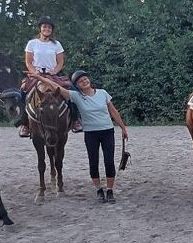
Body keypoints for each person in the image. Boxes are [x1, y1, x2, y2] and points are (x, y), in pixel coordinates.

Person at [36, 69, 128, 203]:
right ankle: (98, 190)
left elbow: (113, 111)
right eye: (80, 81)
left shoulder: (102, 93)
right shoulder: (76, 96)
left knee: (109, 162)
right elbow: (55, 87)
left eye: (85, 79)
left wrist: (123, 127)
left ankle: (109, 190)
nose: (84, 81)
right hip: (91, 133)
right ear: (77, 85)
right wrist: (39, 77)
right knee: (93, 162)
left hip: (108, 131)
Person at [19, 16, 81, 137]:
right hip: (36, 74)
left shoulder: (57, 44)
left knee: (72, 90)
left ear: (52, 30)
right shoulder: (32, 43)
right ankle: (25, 124)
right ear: (40, 29)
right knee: (23, 92)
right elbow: (28, 62)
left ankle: (75, 120)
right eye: (44, 26)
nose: (47, 29)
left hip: (52, 75)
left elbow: (60, 62)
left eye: (49, 27)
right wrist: (34, 73)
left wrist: (54, 71)